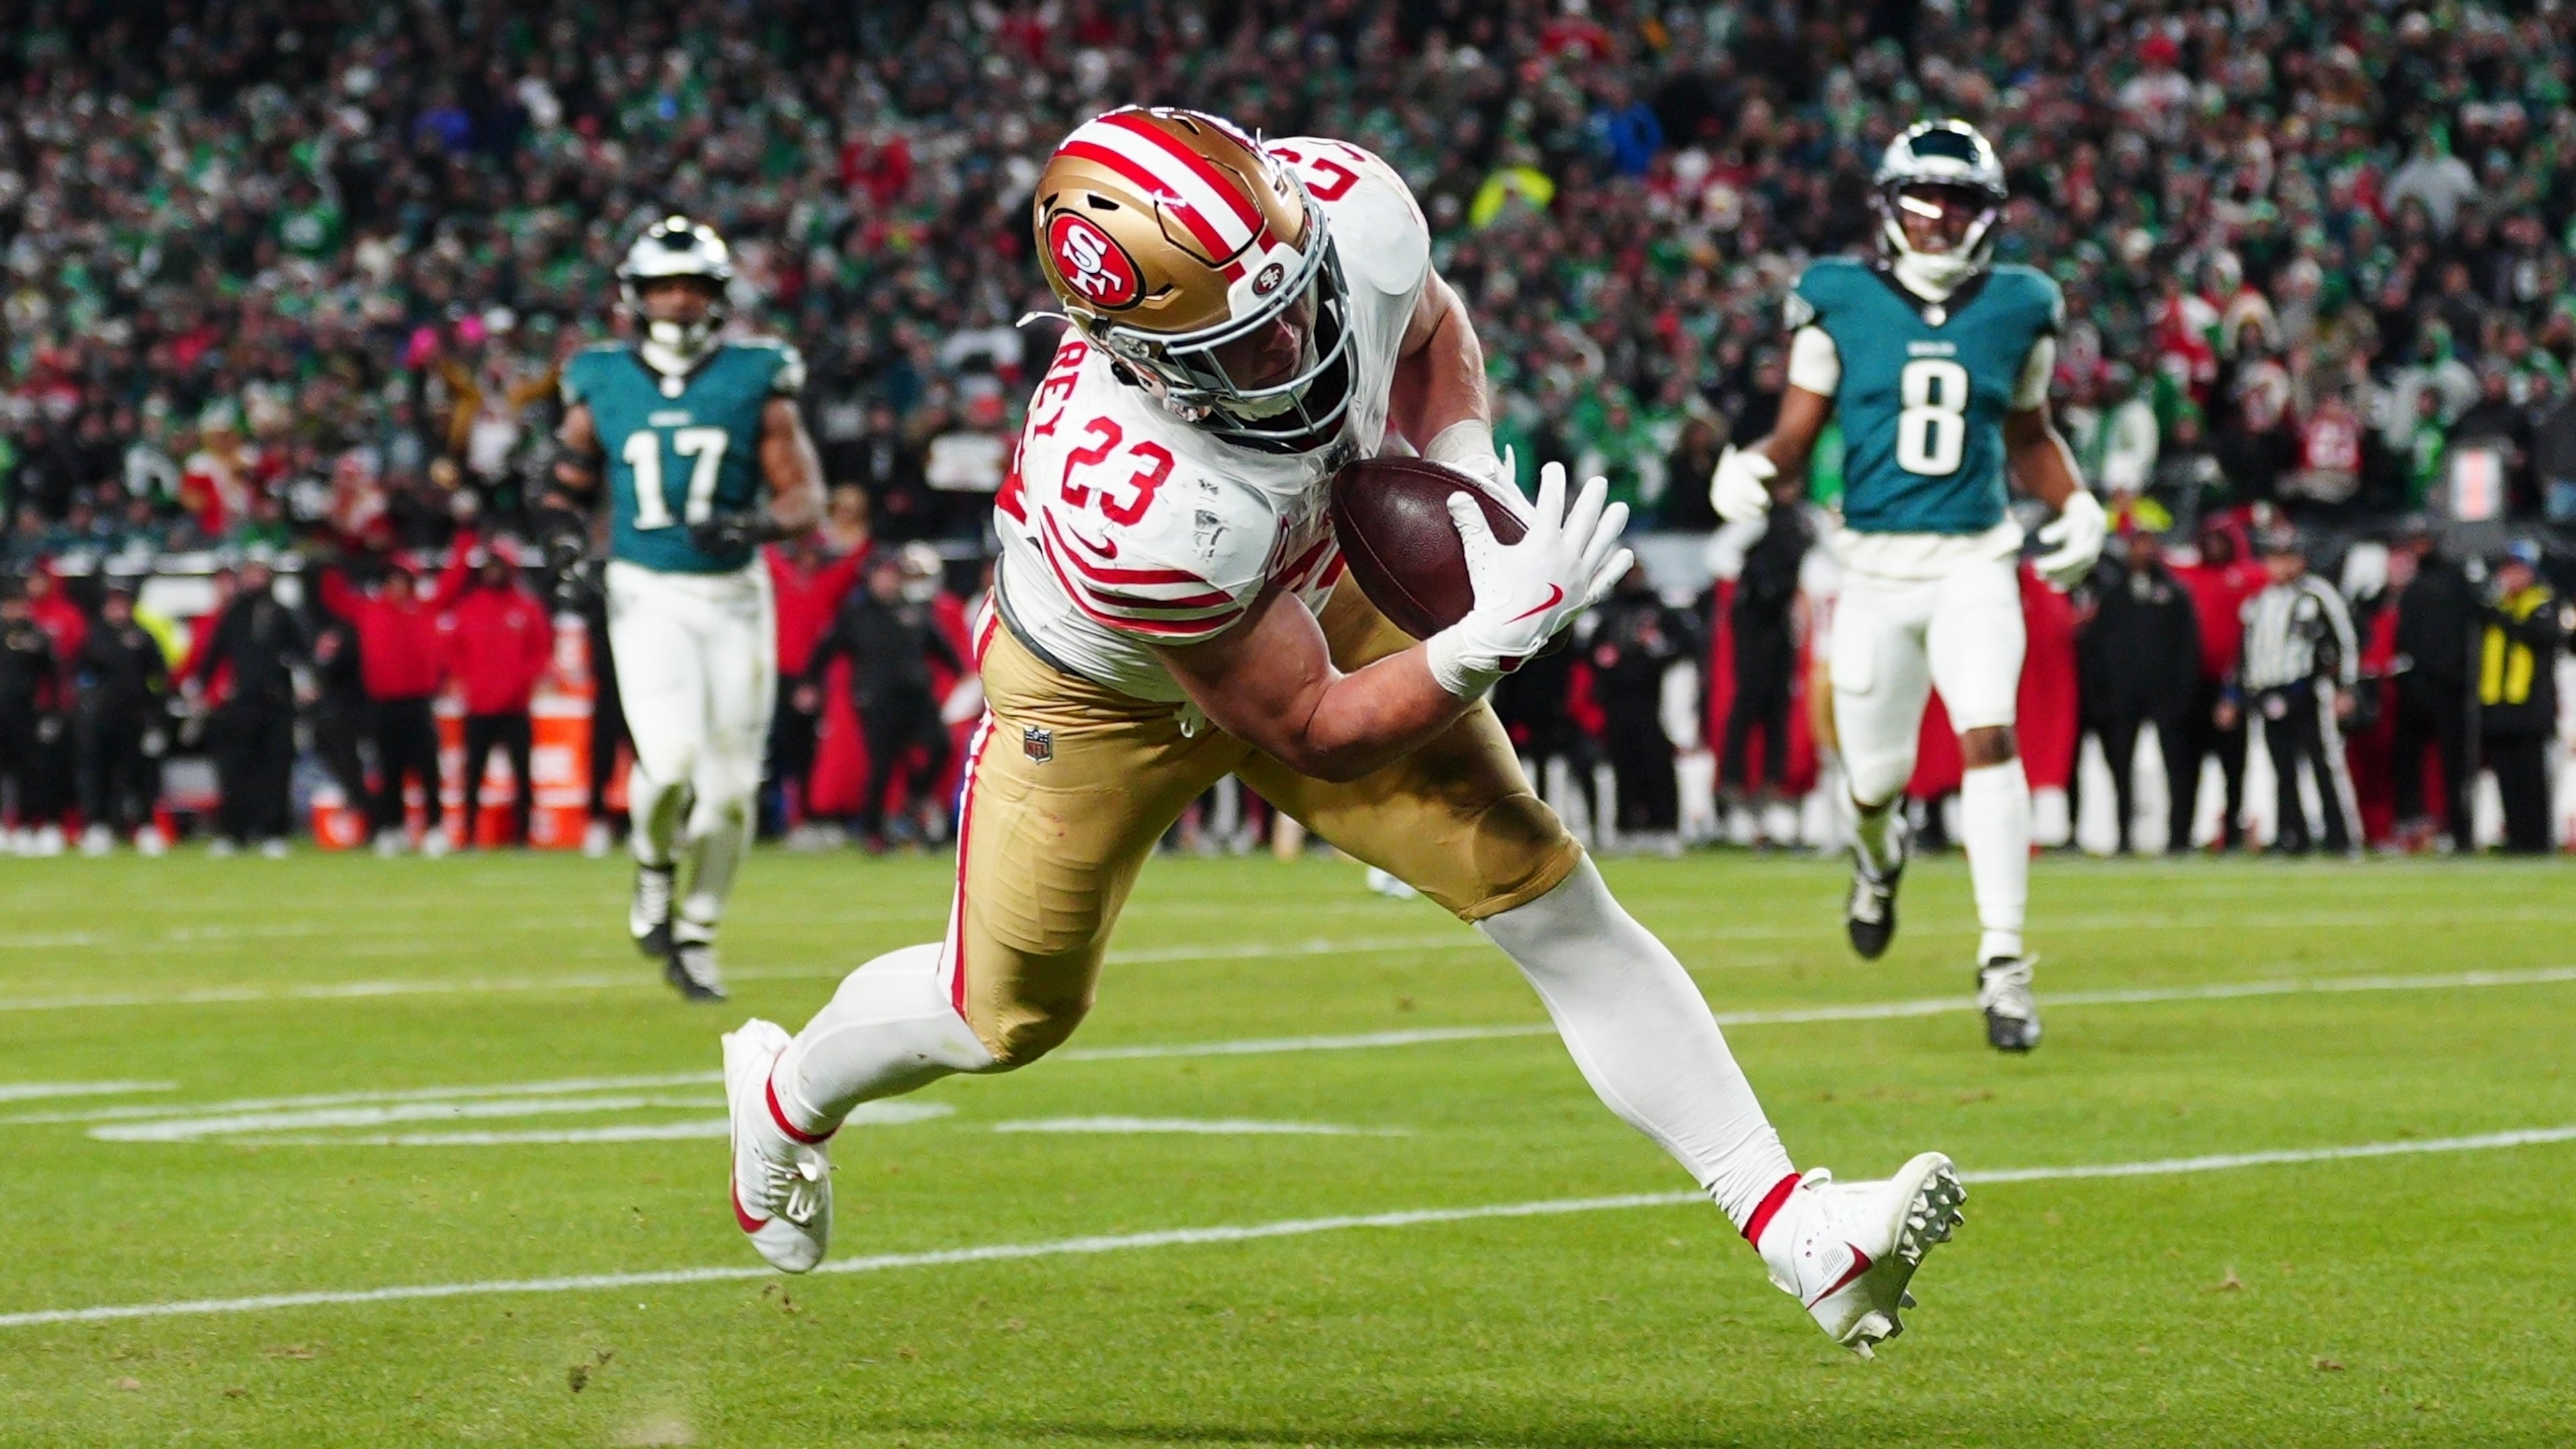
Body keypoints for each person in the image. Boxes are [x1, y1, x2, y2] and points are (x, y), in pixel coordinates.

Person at [716, 109, 1963, 1357]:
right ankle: (786, 1092)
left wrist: (1468, 463)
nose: (1298, 344)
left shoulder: (1344, 212)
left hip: (1311, 586)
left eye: (1297, 298)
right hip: (1108, 695)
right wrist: (1481, 645)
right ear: (1135, 352)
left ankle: (1799, 1227)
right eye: (1245, 343)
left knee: (1541, 888)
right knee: (1005, 1015)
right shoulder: (1136, 494)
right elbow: (1305, 725)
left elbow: (1427, 327)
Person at [1710, 120, 2106, 1051]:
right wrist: (1753, 469)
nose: (1937, 221)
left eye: (1957, 203)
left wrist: (2079, 504)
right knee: (1877, 780)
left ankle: (2003, 961)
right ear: (1889, 207)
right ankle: (1877, 860)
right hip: (1874, 569)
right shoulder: (1836, 297)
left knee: (1989, 734)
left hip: (1975, 557)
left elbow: (2030, 432)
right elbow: (1796, 435)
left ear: (1988, 215)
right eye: (1922, 201)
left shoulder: (2020, 304)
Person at [545, 215, 827, 1000]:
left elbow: (805, 496)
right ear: (635, 296)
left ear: (717, 295)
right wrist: (565, 546)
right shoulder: (600, 375)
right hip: (647, 587)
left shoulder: (756, 373)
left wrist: (757, 523)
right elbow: (564, 484)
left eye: (692, 287)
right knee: (668, 765)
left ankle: (698, 930)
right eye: (663, 287)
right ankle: (652, 872)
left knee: (733, 789)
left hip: (735, 593)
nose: (676, 302)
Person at [804, 551, 963, 851]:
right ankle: (873, 831)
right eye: (883, 575)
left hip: (917, 696)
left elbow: (940, 647)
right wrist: (810, 682)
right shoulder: (856, 614)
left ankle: (915, 798)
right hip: (876, 699)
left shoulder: (916, 611)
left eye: (892, 575)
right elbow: (827, 648)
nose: (888, 581)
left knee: (940, 746)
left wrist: (961, 672)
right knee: (882, 766)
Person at [319, 551, 466, 855]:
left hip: (418, 702)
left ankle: (435, 829)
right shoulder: (371, 610)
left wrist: (465, 541)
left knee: (428, 769)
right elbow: (335, 597)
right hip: (384, 703)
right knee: (390, 770)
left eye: (403, 580)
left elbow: (453, 582)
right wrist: (332, 561)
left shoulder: (425, 608)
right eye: (393, 580)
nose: (397, 587)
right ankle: (392, 828)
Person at [2224, 527, 2359, 855]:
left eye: (2288, 558)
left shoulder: (2316, 595)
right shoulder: (2257, 602)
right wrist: (2233, 696)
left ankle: (2340, 837)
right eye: (2275, 558)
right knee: (2281, 769)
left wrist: (2346, 686)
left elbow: (2345, 642)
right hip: (2267, 692)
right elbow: (2245, 653)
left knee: (2322, 764)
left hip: (2305, 691)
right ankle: (2292, 835)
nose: (2281, 567)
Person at [2072, 529, 2201, 854]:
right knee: (2120, 768)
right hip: (2123, 699)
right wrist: (2103, 693)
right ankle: (2124, 836)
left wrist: (2183, 694)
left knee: (2177, 768)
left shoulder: (2175, 595)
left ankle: (2179, 837)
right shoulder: (2114, 597)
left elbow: (2188, 650)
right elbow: (2098, 650)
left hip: (2165, 697)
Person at [438, 541, 555, 849]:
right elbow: (453, 651)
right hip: (479, 706)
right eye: (488, 568)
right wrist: (471, 681)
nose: (493, 573)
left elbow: (541, 650)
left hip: (516, 706)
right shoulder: (469, 607)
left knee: (522, 774)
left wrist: (521, 681)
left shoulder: (526, 608)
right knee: (473, 774)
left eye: (498, 567)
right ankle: (469, 835)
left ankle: (523, 836)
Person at [190, 560, 311, 857]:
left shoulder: (282, 613)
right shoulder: (233, 614)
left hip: (277, 703)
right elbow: (214, 654)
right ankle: (234, 833)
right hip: (242, 703)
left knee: (276, 769)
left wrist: (306, 682)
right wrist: (200, 687)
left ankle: (274, 833)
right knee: (236, 771)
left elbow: (301, 653)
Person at [2387, 523, 2479, 849]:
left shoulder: (2456, 581)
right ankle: (2412, 829)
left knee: (2456, 764)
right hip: (2417, 684)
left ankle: (2460, 832)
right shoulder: (2414, 584)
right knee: (2406, 761)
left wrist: (2458, 673)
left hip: (2448, 686)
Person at [1587, 564, 1692, 842]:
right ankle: (1627, 827)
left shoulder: (1656, 611)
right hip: (1618, 703)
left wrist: (1655, 652)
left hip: (1651, 701)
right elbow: (1593, 652)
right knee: (1624, 766)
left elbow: (1684, 643)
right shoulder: (1608, 613)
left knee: (1657, 764)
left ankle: (1664, 825)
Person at [1720, 502, 1810, 823]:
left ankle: (1772, 783)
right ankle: (1734, 780)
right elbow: (1720, 557)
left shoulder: (1798, 519)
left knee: (1776, 705)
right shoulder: (1755, 520)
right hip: (1754, 617)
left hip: (1777, 619)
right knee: (1750, 699)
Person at [2477, 541, 2568, 853]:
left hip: (2530, 704)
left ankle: (2538, 839)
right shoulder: (2496, 605)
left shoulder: (2543, 602)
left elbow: (2541, 637)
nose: (2511, 577)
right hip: (2498, 704)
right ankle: (2515, 836)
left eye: (2517, 570)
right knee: (2506, 776)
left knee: (2532, 778)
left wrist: (2502, 617)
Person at [72, 586, 170, 853]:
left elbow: (160, 677)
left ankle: (146, 826)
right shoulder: (94, 636)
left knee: (140, 775)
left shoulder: (142, 637)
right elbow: (79, 673)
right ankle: (98, 826)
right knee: (98, 773)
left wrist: (156, 717)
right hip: (101, 719)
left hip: (136, 717)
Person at [0, 583, 60, 848]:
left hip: (25, 712)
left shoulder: (36, 635)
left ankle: (26, 825)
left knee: (29, 771)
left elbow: (52, 677)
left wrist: (52, 712)